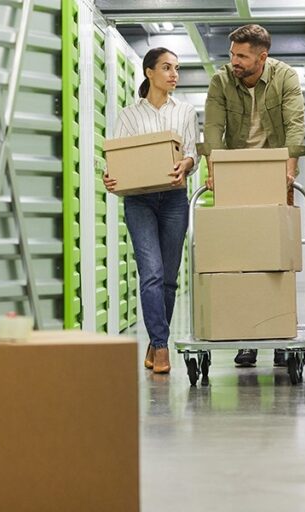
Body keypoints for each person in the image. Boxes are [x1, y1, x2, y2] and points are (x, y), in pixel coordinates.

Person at [199, 24, 305, 368]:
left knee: (277, 262)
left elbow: (295, 123)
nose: (234, 62)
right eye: (232, 54)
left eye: (242, 56)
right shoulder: (221, 81)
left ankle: (277, 334)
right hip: (235, 174)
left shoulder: (285, 77)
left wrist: (289, 171)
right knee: (239, 261)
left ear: (263, 56)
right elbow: (213, 128)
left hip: (275, 171)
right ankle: (246, 338)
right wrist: (213, 170)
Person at [103, 47, 199, 374]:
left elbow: (190, 155)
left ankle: (155, 339)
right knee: (152, 273)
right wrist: (110, 176)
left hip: (174, 199)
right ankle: (161, 347)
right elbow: (118, 159)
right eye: (167, 68)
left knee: (169, 279)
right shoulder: (129, 115)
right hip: (140, 201)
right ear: (149, 72)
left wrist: (185, 164)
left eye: (177, 68)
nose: (174, 74)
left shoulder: (185, 111)